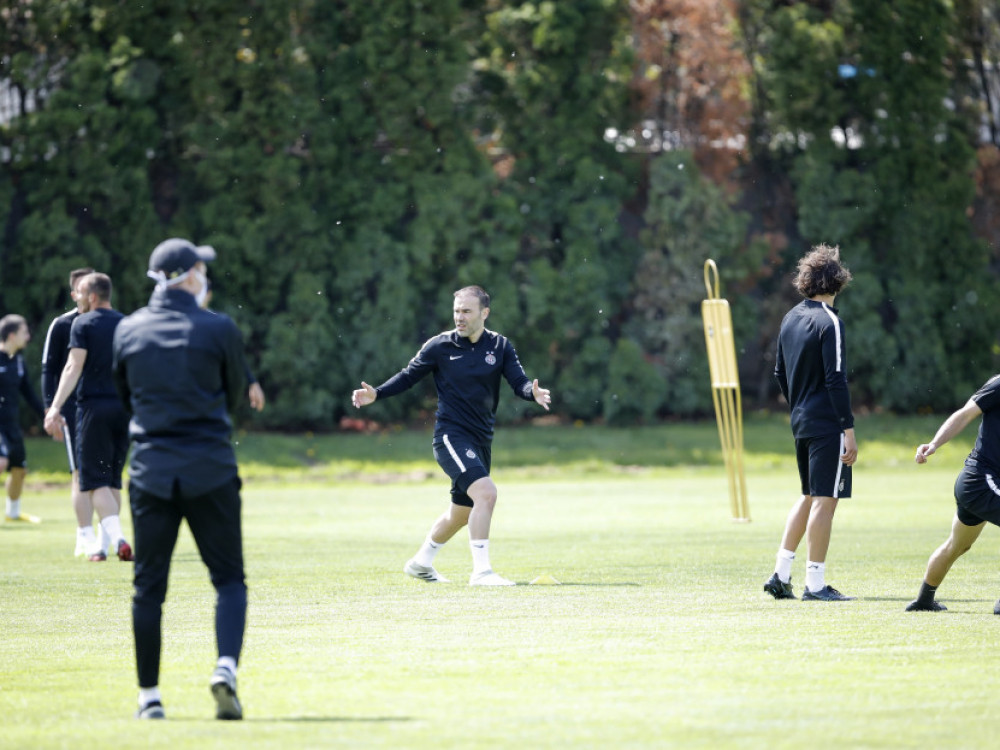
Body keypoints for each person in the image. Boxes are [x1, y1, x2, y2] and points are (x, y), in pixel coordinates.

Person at [112, 238, 248, 721]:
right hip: (210, 468)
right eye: (200, 270)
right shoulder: (218, 327)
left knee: (148, 589)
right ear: (189, 277)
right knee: (229, 580)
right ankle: (225, 667)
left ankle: (149, 698)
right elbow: (234, 395)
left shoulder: (128, 329)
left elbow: (125, 397)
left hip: (151, 472)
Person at [351, 285, 552, 586]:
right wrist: (377, 393)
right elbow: (408, 376)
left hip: (481, 440)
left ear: (484, 313)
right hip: (450, 437)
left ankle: (420, 563)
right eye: (457, 311)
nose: (460, 317)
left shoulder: (500, 346)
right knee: (486, 493)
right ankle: (481, 573)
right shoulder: (439, 346)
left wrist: (531, 393)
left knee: (461, 512)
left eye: (467, 311)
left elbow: (519, 381)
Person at [764, 244, 858, 602]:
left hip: (801, 420)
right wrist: (848, 429)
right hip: (826, 424)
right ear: (837, 280)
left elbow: (780, 373)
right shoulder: (830, 322)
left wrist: (800, 406)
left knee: (808, 496)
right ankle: (815, 585)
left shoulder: (790, 318)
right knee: (825, 500)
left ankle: (780, 574)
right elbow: (836, 379)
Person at [44, 272, 132, 562]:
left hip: (94, 409)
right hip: (123, 410)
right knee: (113, 480)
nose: (77, 297)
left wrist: (55, 406)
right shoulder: (126, 323)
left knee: (94, 481)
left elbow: (73, 367)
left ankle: (118, 539)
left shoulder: (82, 323)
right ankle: (102, 547)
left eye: (80, 293)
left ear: (92, 297)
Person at [905, 375, 1000, 613]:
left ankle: (924, 600)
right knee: (956, 545)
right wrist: (934, 444)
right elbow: (965, 414)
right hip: (980, 481)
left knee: (957, 546)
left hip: (979, 485)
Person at [0, 314, 46, 523]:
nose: (28, 337)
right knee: (1, 462)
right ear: (12, 335)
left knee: (19, 469)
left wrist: (47, 416)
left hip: (11, 425)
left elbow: (29, 394)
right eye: (24, 332)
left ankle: (13, 513)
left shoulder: (18, 362)